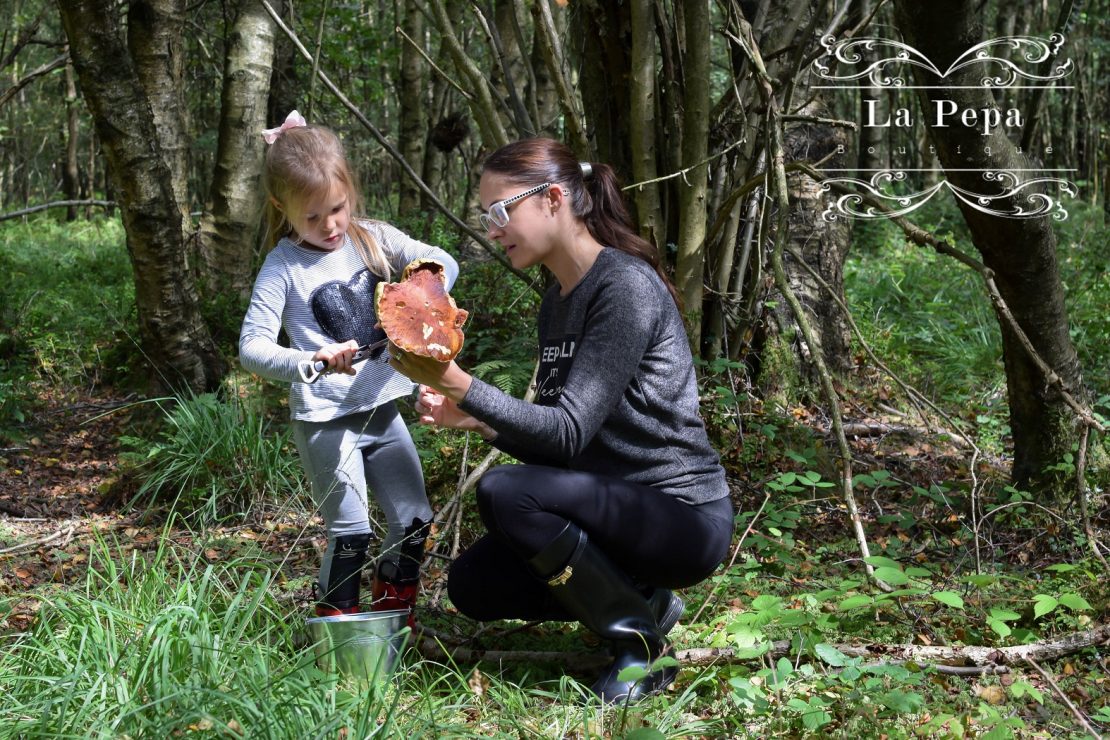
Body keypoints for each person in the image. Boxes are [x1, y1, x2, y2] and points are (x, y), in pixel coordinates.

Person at [389, 137, 734, 703]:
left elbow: (567, 429)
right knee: (471, 586)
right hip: (613, 509)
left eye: (501, 211)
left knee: (503, 491)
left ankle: (638, 653)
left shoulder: (621, 285)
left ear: (552, 199)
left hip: (681, 514)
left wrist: (457, 381)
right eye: (486, 216)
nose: (492, 230)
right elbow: (566, 452)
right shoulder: (558, 298)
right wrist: (474, 420)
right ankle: (642, 600)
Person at [239, 110, 458, 626]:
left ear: (350, 192)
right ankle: (340, 634)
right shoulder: (283, 266)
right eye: (313, 217)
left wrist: (418, 294)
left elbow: (441, 259)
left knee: (413, 518)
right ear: (282, 208)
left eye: (337, 209)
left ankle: (391, 622)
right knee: (352, 530)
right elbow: (252, 346)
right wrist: (309, 361)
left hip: (381, 412)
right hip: (327, 421)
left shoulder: (372, 237)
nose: (331, 226)